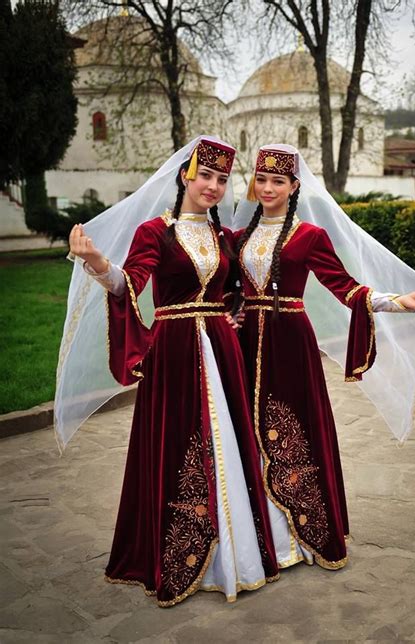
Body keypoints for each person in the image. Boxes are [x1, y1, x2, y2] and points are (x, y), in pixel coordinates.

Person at [58, 136, 279, 607]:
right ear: (185, 175)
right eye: (206, 175)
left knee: (230, 446)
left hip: (221, 349)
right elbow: (129, 282)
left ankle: (237, 556)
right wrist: (98, 263)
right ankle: (178, 555)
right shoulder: (153, 232)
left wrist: (232, 312)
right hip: (176, 353)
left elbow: (235, 285)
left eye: (222, 179)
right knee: (179, 444)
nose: (214, 186)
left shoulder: (222, 237)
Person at [232, 144, 415, 570]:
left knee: (295, 430)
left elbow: (346, 288)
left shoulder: (310, 237)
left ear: (294, 187)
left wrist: (401, 302)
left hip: (290, 342)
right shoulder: (237, 238)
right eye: (262, 179)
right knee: (244, 432)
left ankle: (302, 535)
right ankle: (258, 538)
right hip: (243, 343)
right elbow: (222, 291)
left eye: (278, 181)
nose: (268, 187)